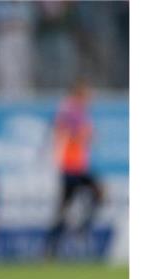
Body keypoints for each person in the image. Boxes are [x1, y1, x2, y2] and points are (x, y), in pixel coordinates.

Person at [44, 79, 103, 259]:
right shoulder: (70, 109)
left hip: (77, 166)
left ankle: (58, 242)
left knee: (68, 206)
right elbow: (67, 131)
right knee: (68, 206)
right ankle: (72, 233)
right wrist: (84, 134)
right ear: (79, 94)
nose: (90, 98)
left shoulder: (77, 111)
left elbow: (86, 136)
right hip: (70, 167)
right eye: (87, 94)